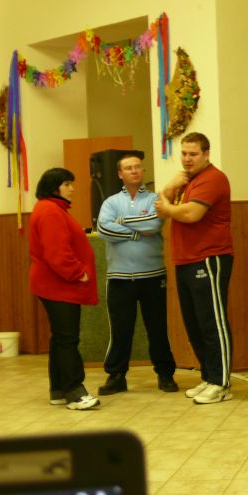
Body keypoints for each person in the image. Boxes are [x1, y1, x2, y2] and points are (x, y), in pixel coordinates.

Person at [155, 132, 234, 405]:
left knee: (212, 322)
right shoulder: (186, 180)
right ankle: (209, 377)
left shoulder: (214, 178)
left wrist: (168, 207)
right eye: (184, 154)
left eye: (193, 154)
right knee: (195, 324)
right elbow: (158, 207)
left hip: (209, 258)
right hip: (185, 259)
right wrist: (169, 187)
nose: (187, 159)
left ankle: (221, 383)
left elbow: (191, 213)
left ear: (206, 154)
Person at [95, 151, 178, 396]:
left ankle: (165, 374)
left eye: (138, 167)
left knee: (157, 328)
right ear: (120, 174)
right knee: (120, 330)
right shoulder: (110, 202)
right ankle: (116, 376)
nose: (134, 171)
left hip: (153, 276)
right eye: (128, 168)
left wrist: (121, 221)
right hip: (119, 278)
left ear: (143, 171)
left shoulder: (155, 199)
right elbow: (103, 229)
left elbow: (154, 223)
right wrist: (135, 232)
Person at [29, 168, 100, 410]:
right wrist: (78, 272)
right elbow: (57, 253)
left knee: (60, 338)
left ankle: (58, 390)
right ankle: (74, 392)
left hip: (55, 284)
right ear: (54, 187)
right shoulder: (50, 211)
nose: (72, 188)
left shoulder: (51, 208)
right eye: (67, 184)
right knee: (68, 339)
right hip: (58, 285)